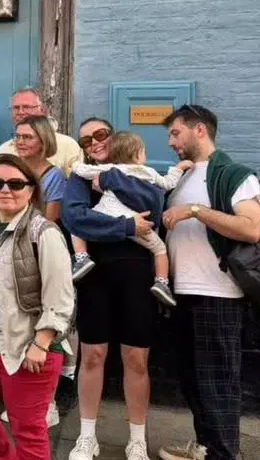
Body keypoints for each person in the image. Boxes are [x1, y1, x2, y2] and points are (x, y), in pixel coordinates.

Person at [0, 154, 75, 460]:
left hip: (28, 350)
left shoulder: (43, 233)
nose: (5, 190)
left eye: (15, 183)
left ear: (31, 189)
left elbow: (61, 298)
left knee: (28, 431)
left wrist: (42, 342)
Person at [158, 105, 260, 460]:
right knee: (191, 380)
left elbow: (252, 228)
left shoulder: (233, 175)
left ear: (199, 130)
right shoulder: (184, 175)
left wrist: (196, 211)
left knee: (219, 383)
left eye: (175, 133)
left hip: (217, 293)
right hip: (181, 293)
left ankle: (223, 454)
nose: (170, 141)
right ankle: (206, 447)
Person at [63, 117, 159, 460]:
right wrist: (128, 225)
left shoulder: (138, 172)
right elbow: (75, 219)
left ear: (113, 136)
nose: (94, 142)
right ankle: (87, 436)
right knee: (93, 355)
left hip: (137, 275)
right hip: (95, 274)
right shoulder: (80, 178)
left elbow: (155, 211)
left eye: (100, 134)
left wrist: (113, 187)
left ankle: (137, 439)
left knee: (136, 358)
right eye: (86, 139)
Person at [69, 131, 192, 307]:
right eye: (144, 152)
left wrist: (72, 164)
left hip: (106, 212)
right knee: (159, 249)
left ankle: (82, 258)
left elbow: (83, 170)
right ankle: (161, 283)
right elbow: (168, 183)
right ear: (137, 154)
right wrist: (180, 167)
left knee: (78, 225)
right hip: (138, 221)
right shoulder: (149, 172)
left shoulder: (110, 169)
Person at [0, 87, 83, 176]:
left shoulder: (67, 145)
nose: (21, 112)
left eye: (27, 107)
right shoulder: (4, 149)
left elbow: (77, 185)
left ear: (42, 110)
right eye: (16, 108)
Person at [13, 115, 66, 223]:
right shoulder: (11, 167)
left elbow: (50, 221)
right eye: (17, 136)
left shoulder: (54, 176)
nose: (20, 142)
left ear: (43, 141)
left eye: (27, 137)